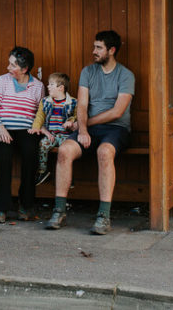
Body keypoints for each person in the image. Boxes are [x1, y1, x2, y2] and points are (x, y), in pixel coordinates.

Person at [46, 30, 134, 235]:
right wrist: (83, 129)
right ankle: (59, 210)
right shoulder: (88, 72)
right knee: (65, 150)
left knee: (104, 153)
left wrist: (84, 125)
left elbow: (117, 112)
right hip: (88, 127)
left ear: (111, 50)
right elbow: (82, 105)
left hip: (117, 129)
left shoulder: (126, 75)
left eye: (99, 48)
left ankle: (104, 215)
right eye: (94, 46)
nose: (94, 51)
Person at [0, 46, 44, 224]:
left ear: (24, 69)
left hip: (26, 130)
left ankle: (26, 204)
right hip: (1, 129)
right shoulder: (2, 81)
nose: (8, 68)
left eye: (13, 65)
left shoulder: (38, 86)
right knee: (4, 153)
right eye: (9, 64)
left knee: (31, 152)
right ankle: (1, 207)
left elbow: (40, 113)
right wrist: (0, 127)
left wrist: (41, 129)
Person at [27, 72, 78, 186]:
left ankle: (68, 175)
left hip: (67, 136)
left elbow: (77, 116)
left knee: (67, 151)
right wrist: (36, 128)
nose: (48, 86)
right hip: (52, 135)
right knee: (42, 145)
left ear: (60, 88)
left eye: (51, 84)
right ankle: (43, 171)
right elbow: (40, 116)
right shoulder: (45, 101)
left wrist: (71, 121)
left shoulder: (73, 102)